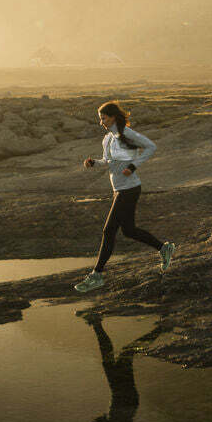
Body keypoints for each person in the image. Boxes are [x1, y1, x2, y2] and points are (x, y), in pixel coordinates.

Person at [74, 101, 173, 293]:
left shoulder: (127, 133)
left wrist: (133, 166)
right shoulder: (108, 138)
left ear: (113, 117)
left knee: (108, 230)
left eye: (103, 118)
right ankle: (164, 248)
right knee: (129, 230)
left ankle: (97, 275)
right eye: (100, 119)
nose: (101, 122)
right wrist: (94, 162)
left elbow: (152, 147)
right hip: (118, 189)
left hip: (130, 188)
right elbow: (108, 161)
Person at [78, 310, 156, 422]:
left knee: (113, 359)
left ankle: (96, 323)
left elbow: (105, 421)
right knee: (125, 355)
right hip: (127, 401)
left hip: (117, 400)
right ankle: (97, 323)